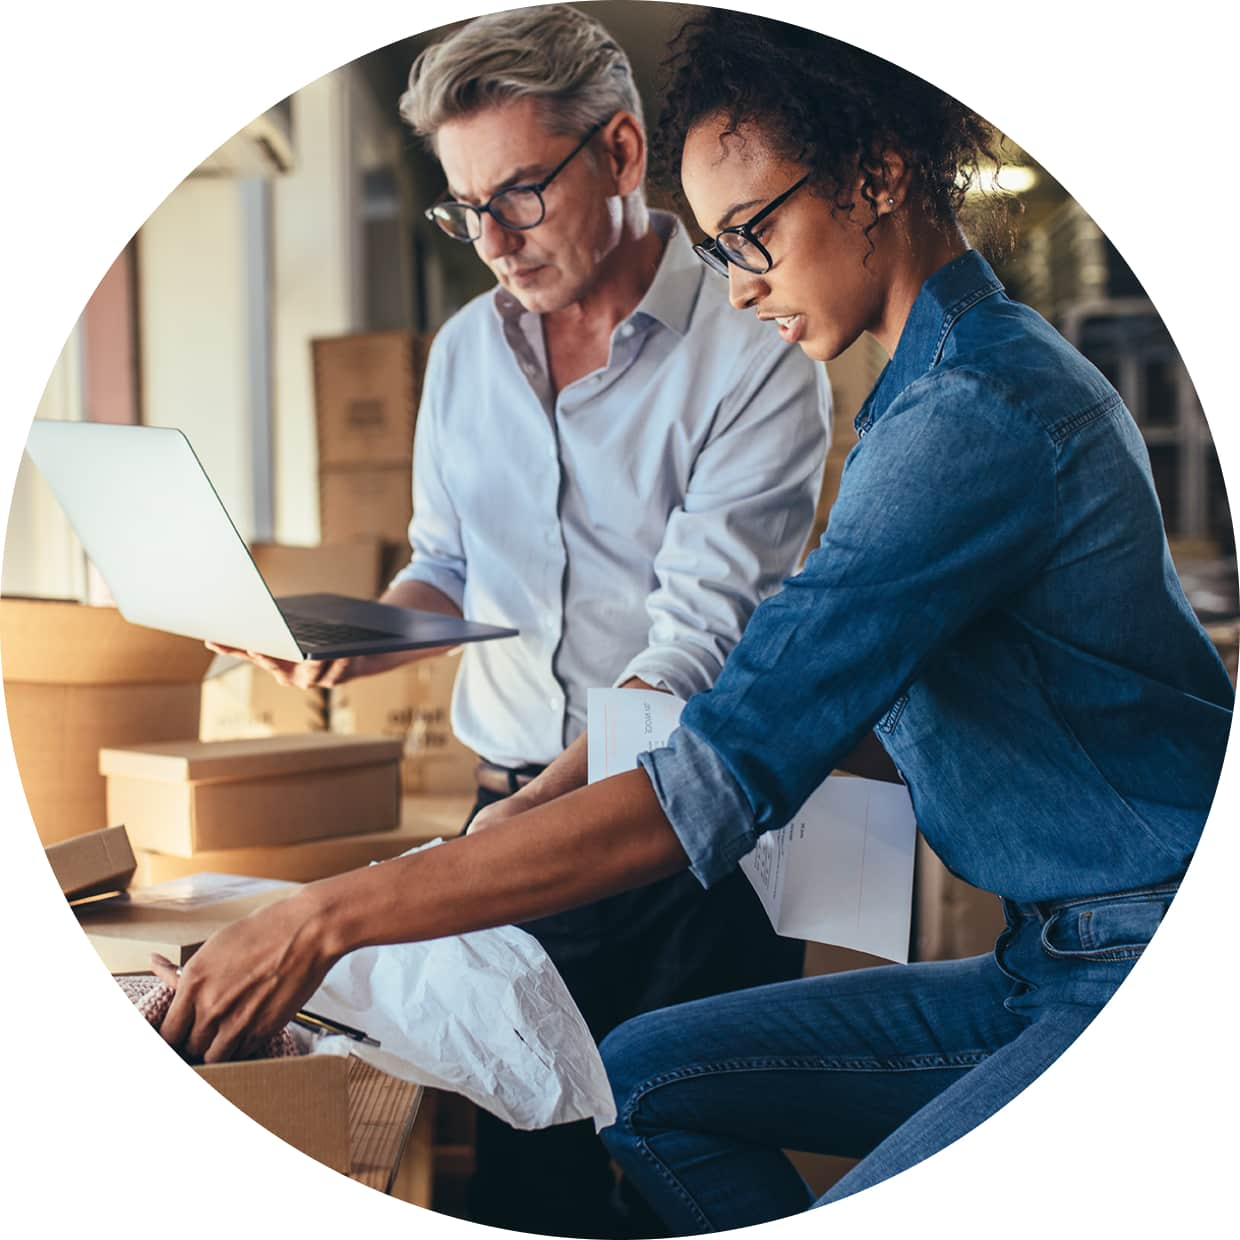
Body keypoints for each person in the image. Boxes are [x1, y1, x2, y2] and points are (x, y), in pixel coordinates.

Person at [157, 8, 1232, 1231]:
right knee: (640, 1082)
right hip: (1042, 945)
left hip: (1132, 953)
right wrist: (506, 781)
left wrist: (321, 916)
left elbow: (713, 745)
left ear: (877, 176)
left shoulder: (966, 416)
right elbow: (778, 693)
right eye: (722, 245)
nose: (742, 280)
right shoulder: (923, 387)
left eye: (754, 232)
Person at [210, 7, 827, 1236]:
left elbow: (685, 660)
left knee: (691, 1172)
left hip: (679, 835)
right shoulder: (461, 356)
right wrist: (370, 631)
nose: (490, 240)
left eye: (521, 195)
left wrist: (491, 848)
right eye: (464, 207)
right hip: (506, 816)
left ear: (620, 152)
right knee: (526, 1189)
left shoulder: (756, 353)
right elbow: (445, 559)